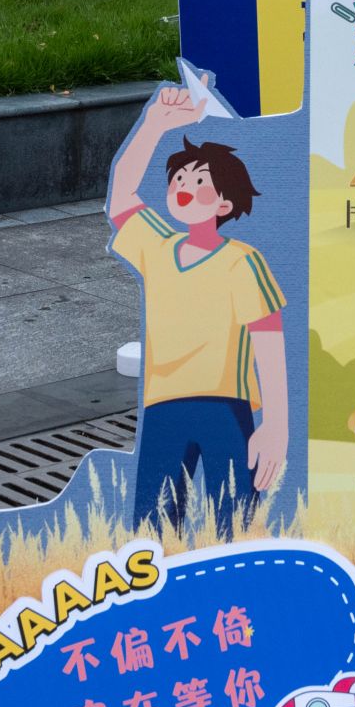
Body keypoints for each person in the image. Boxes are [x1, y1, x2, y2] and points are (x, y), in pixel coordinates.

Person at [107, 85, 288, 534]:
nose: (185, 188)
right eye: (179, 181)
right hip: (164, 405)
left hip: (224, 405)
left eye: (200, 182)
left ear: (224, 202)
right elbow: (121, 197)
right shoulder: (157, 246)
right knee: (151, 526)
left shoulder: (242, 261)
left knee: (235, 520)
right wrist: (153, 126)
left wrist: (275, 426)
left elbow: (269, 339)